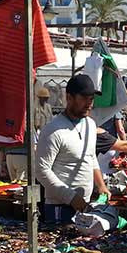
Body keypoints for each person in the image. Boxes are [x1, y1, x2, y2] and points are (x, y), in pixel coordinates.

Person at [36, 74, 111, 224]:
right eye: (84, 98)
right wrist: (71, 197)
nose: (89, 104)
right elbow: (41, 170)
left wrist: (101, 185)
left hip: (84, 204)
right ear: (69, 97)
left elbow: (90, 157)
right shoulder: (53, 130)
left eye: (91, 99)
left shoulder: (90, 124)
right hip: (59, 207)